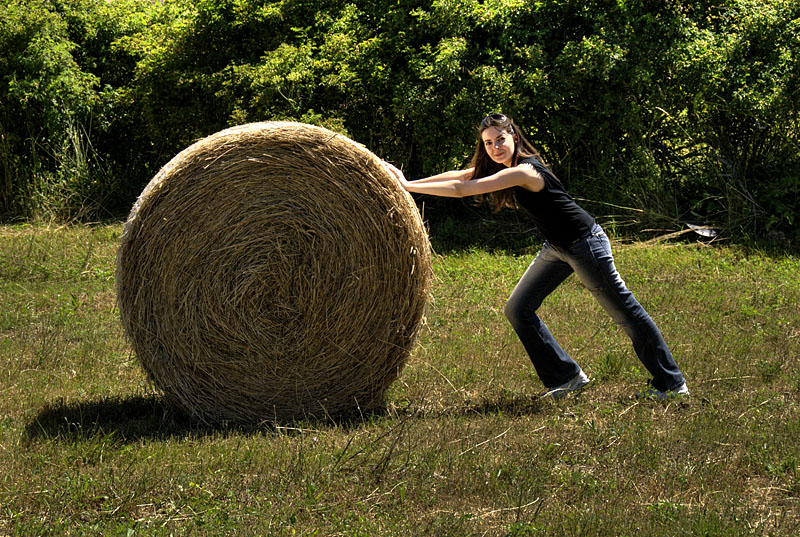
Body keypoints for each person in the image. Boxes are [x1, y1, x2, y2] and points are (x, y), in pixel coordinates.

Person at [384, 113, 688, 400]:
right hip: (557, 246)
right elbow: (462, 174)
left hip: (585, 244)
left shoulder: (524, 170)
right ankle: (566, 377)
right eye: (488, 143)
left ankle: (671, 384)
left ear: (514, 136)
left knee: (626, 313)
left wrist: (408, 187)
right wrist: (410, 182)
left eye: (500, 139)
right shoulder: (505, 166)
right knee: (518, 309)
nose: (495, 148)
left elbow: (465, 189)